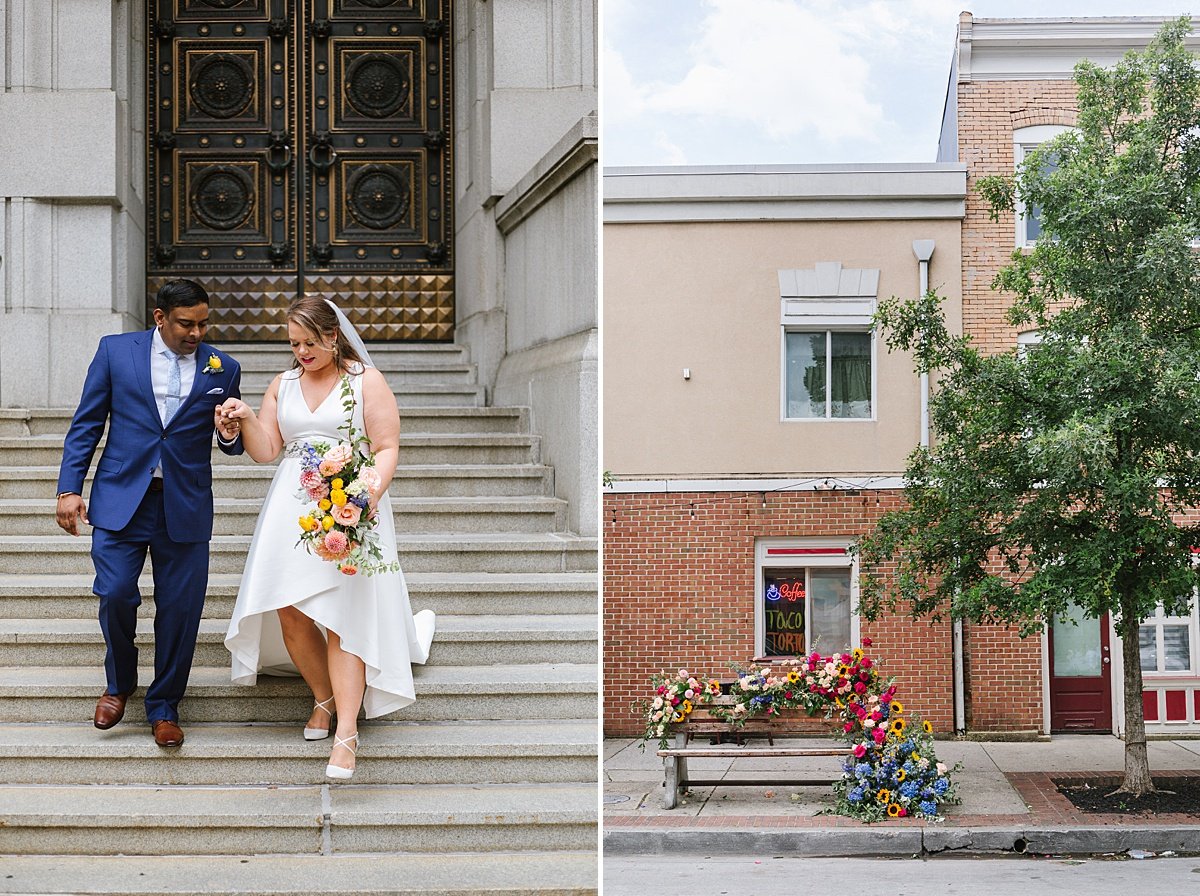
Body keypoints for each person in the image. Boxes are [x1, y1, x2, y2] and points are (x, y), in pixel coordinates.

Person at [217, 296, 435, 779]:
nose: (301, 353)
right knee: (289, 611)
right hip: (289, 509)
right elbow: (267, 451)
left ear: (332, 337)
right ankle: (324, 698)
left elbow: (386, 446)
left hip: (349, 503)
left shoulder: (365, 382)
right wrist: (246, 420)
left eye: (310, 343)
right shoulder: (283, 384)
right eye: (294, 344)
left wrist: (365, 498)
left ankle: (347, 736)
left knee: (343, 618)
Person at [55, 279, 244, 747]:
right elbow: (87, 423)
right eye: (186, 323)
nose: (197, 332)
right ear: (160, 318)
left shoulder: (225, 366)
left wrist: (226, 432)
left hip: (184, 503)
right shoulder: (116, 352)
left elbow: (234, 444)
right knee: (116, 593)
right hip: (122, 498)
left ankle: (164, 706)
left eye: (203, 322)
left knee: (181, 611)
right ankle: (119, 684)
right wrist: (68, 488)